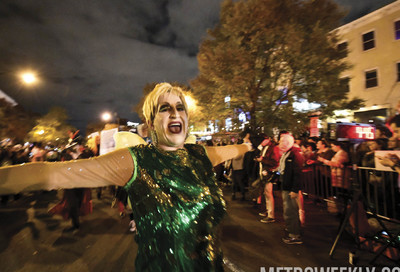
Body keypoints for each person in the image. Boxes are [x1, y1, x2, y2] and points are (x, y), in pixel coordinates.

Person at [0, 82, 251, 271]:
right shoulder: (134, 160)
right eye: (165, 109)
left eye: (180, 108)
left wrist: (248, 146)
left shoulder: (200, 155)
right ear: (151, 123)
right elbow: (52, 174)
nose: (175, 114)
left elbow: (233, 149)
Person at [277, 132, 304, 244]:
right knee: (288, 211)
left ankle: (294, 235)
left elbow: (298, 174)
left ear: (286, 143)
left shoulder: (294, 155)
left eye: (281, 141)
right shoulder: (288, 154)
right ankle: (292, 231)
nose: (279, 143)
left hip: (290, 188)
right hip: (287, 187)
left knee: (290, 211)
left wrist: (294, 190)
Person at [256, 135, 280, 223]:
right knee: (266, 193)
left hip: (269, 173)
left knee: (268, 193)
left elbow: (274, 162)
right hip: (264, 172)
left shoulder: (273, 148)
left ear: (267, 139)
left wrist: (262, 160)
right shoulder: (265, 148)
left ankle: (271, 215)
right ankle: (268, 211)